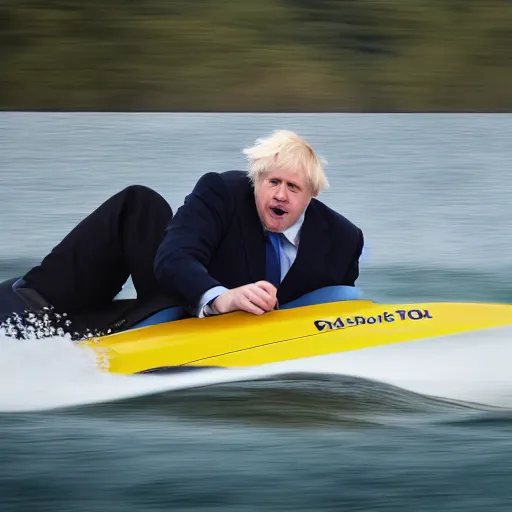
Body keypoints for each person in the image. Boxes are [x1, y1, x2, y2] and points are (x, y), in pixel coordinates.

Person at [0, 130, 364, 337]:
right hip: (187, 301)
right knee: (141, 205)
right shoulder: (222, 192)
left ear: (311, 195)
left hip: (251, 330)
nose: (280, 194)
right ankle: (29, 309)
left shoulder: (343, 240)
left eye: (293, 188)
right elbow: (175, 258)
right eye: (273, 182)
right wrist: (222, 298)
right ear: (257, 180)